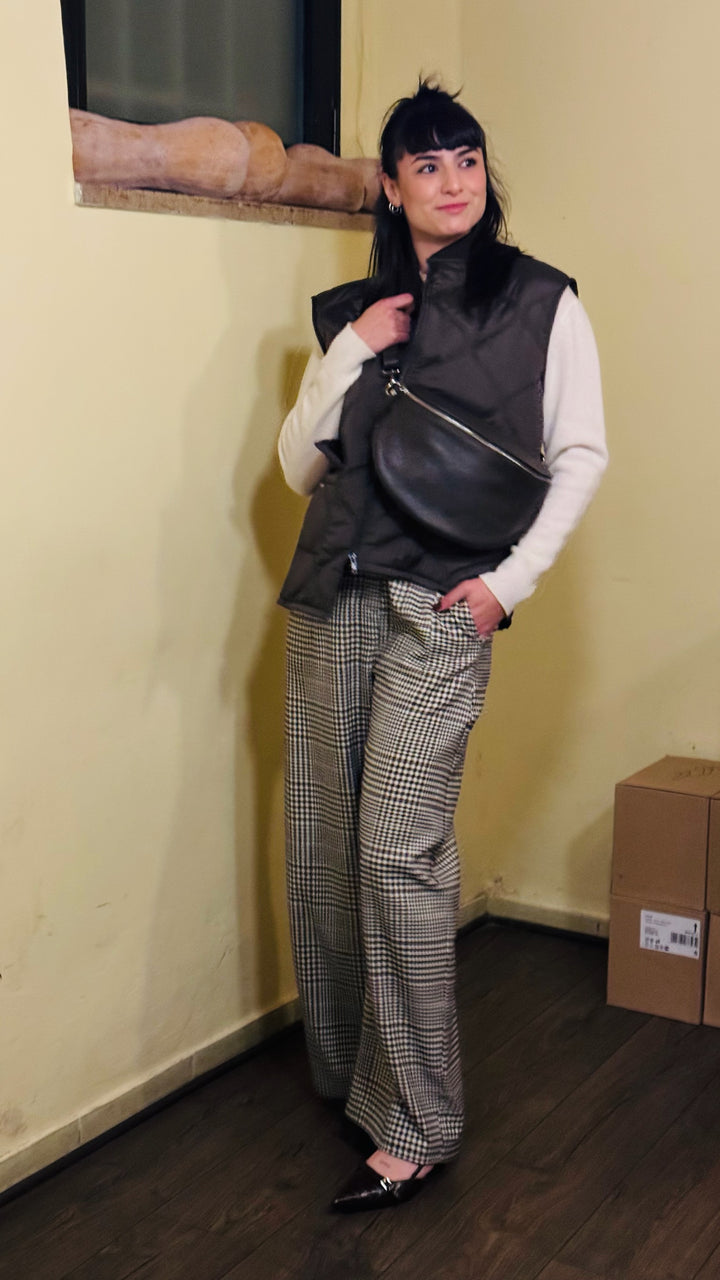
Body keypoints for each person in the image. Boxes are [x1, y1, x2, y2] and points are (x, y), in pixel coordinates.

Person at [276, 81, 607, 1213]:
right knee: (325, 847)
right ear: (391, 187)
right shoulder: (357, 311)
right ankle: (351, 1079)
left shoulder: (541, 300)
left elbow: (582, 455)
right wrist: (352, 349)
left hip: (440, 607)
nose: (453, 180)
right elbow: (296, 466)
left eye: (467, 159)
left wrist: (506, 588)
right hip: (333, 594)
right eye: (428, 164)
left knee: (396, 855)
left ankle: (416, 1124)